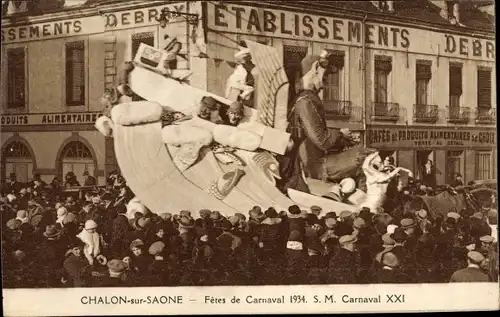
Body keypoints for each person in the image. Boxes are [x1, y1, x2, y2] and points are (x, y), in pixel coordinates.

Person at [280, 50, 372, 193]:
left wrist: (343, 139)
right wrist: (341, 134)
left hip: (314, 161)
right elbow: (322, 140)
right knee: (366, 157)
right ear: (315, 69)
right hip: (314, 166)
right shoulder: (305, 101)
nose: (325, 85)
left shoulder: (304, 100)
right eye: (324, 77)